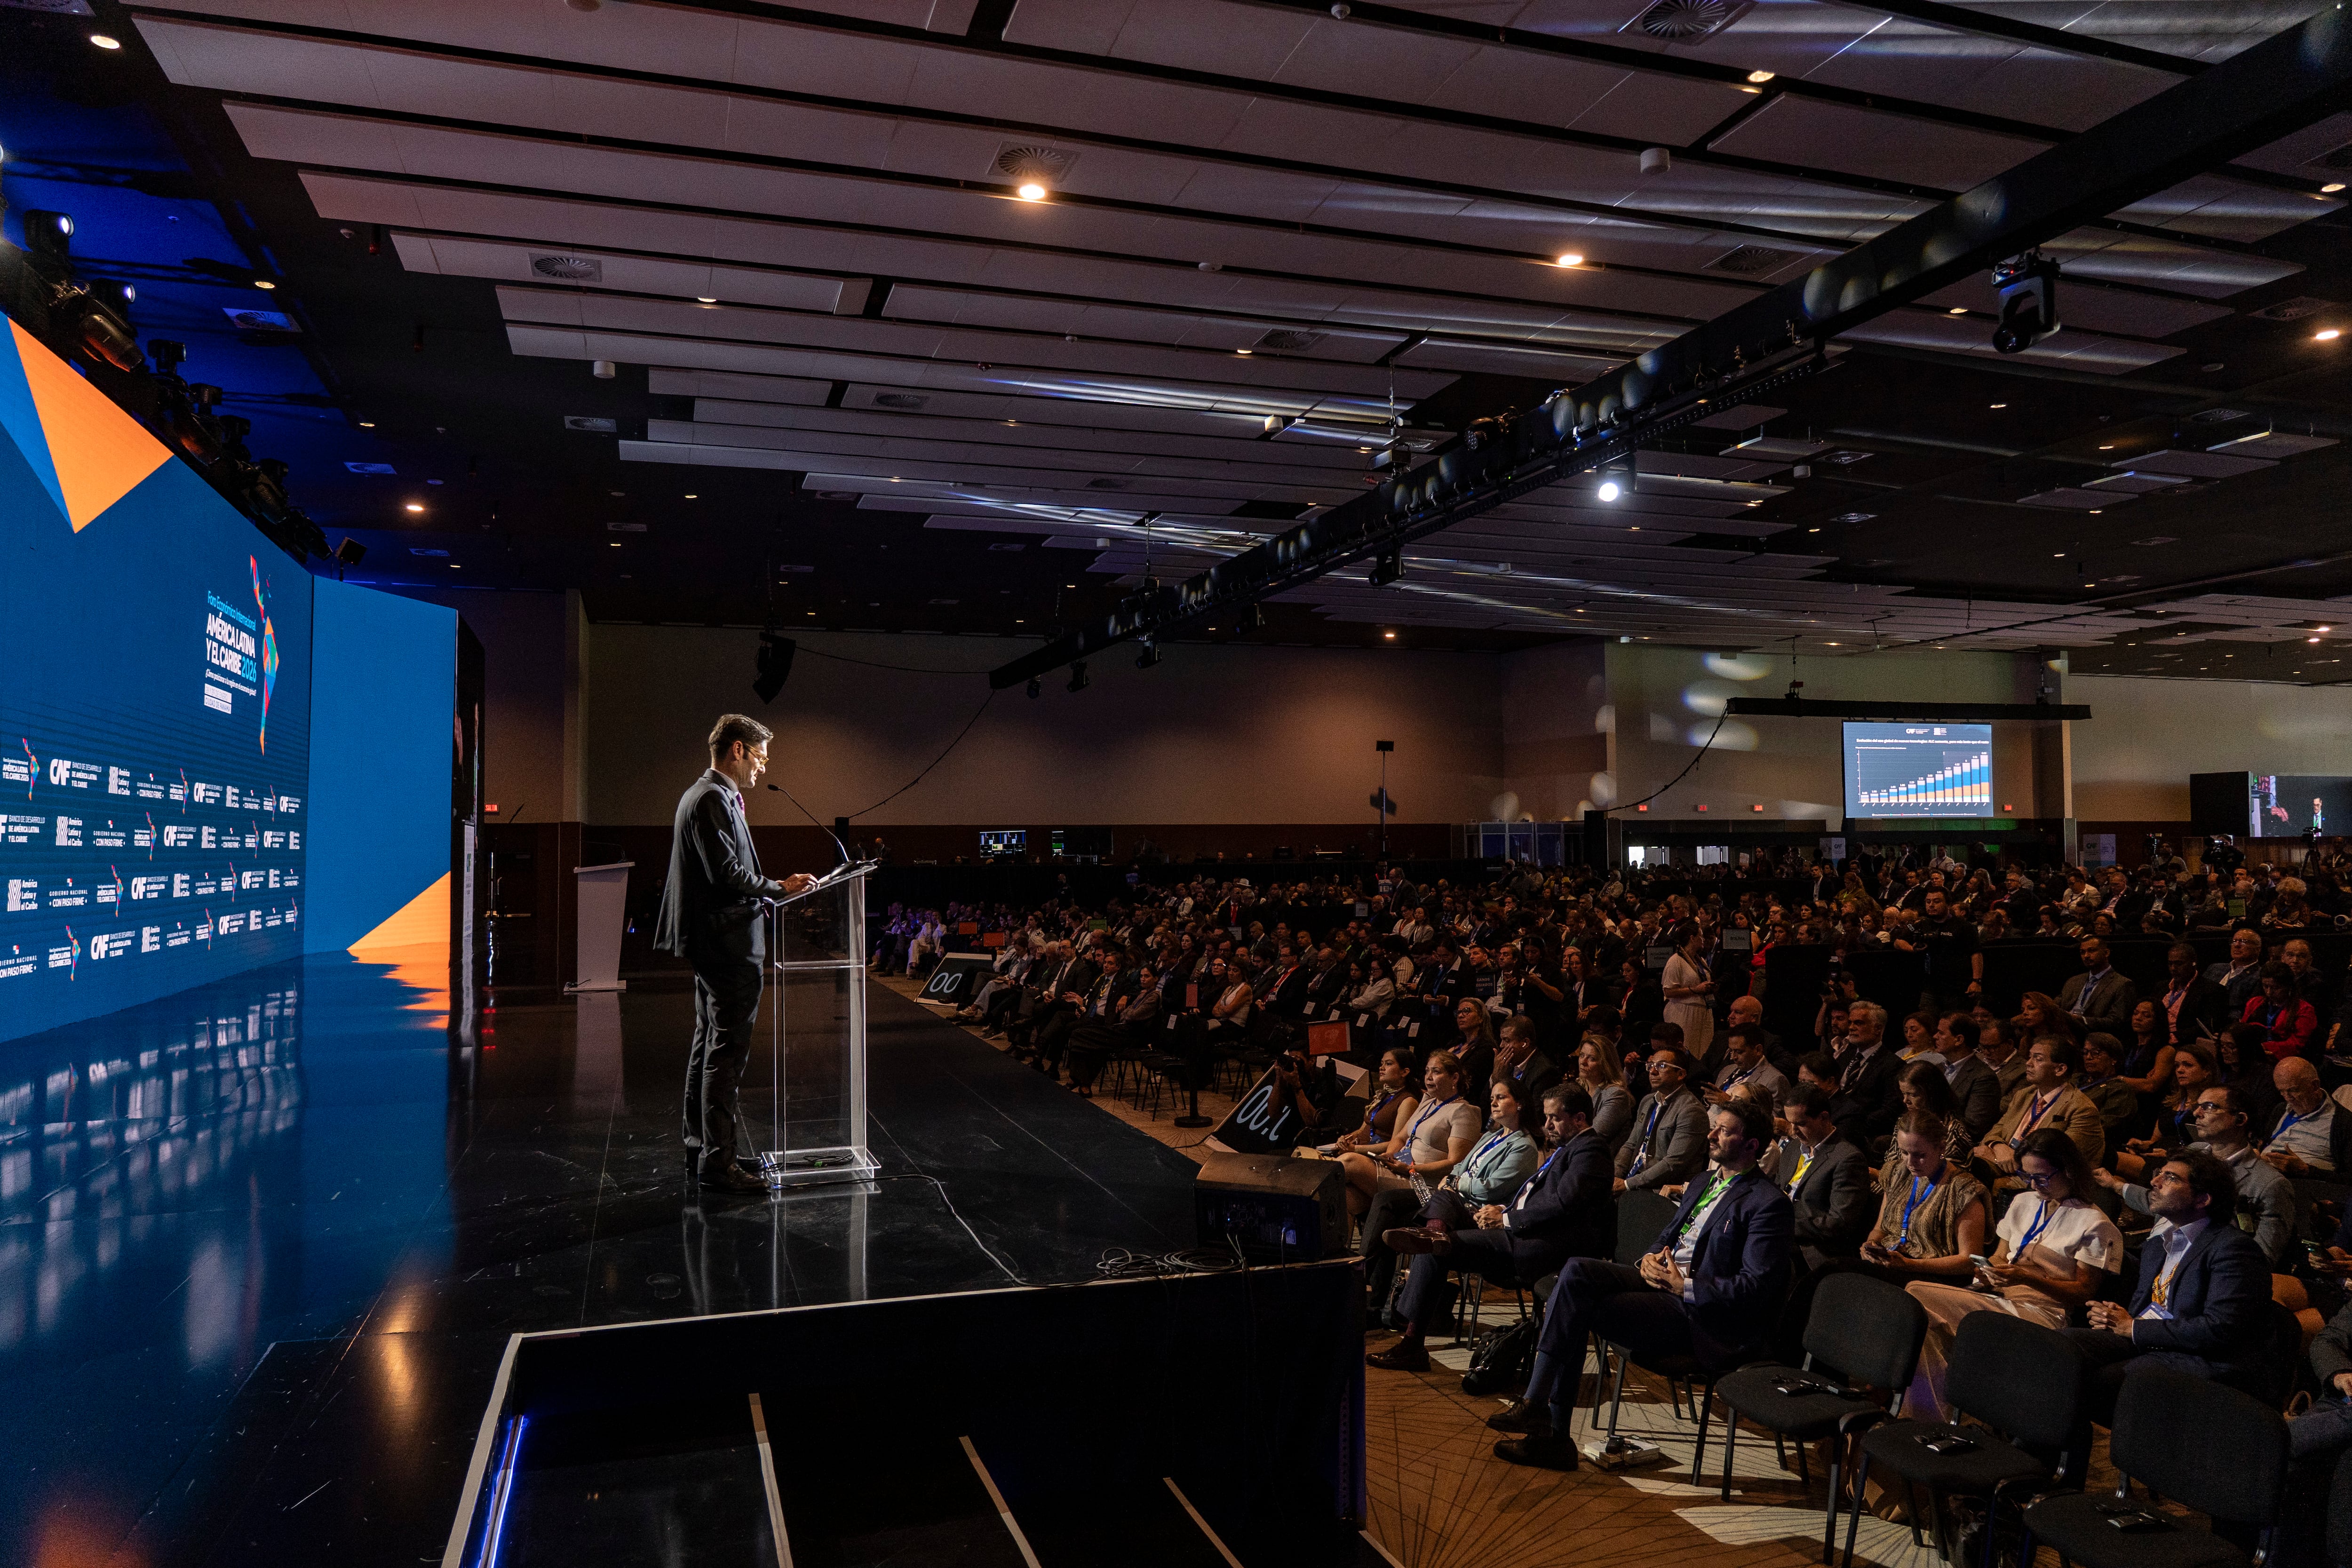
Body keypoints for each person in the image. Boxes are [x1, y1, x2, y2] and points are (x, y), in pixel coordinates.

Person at [1489, 1099, 1793, 1470]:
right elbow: (1666, 1236)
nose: (1711, 1134)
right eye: (1714, 1126)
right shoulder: (1703, 1180)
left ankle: (1549, 1431)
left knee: (1576, 1307)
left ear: (1752, 1145)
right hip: (1660, 1282)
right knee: (1576, 1271)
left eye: (1724, 1130)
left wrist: (1687, 1286)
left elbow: (1757, 1287)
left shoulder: (1768, 1203)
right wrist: (1647, 1259)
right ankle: (1539, 1408)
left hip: (1697, 1312)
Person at [653, 713, 817, 1193]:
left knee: (708, 1047)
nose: (763, 769)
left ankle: (704, 1149)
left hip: (716, 943)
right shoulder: (709, 798)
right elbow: (726, 872)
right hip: (726, 945)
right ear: (738, 750)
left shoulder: (707, 795)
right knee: (725, 1054)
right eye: (761, 757)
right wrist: (778, 887)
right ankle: (717, 1163)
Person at [1369, 1083, 1616, 1372]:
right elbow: (1540, 1199)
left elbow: (1563, 1206)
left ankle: (1411, 1342)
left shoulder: (1591, 1151)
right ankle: (1412, 1336)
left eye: (1555, 1118)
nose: (1547, 1125)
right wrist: (1505, 1210)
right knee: (1438, 1240)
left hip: (1544, 1248)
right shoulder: (1572, 1147)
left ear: (1580, 1118)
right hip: (1524, 1233)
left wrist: (1507, 1219)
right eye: (1546, 1117)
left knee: (1440, 1245)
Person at [1904, 1128, 2122, 1423]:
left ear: (2069, 1171)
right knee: (1924, 1329)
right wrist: (1987, 1272)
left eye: (2042, 1177)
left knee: (1916, 1292)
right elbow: (1997, 1256)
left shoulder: (2095, 1223)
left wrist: (2026, 1278)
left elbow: (2083, 1292)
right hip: (1997, 1297)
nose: (2035, 1185)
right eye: (2028, 1176)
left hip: (2040, 1312)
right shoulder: (2024, 1201)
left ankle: (1931, 1415)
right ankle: (1940, 1417)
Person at [2071, 1151, 2273, 1424]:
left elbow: (2220, 1329)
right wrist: (2115, 1317)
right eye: (2159, 1174)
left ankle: (2068, 1460)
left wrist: (2132, 1327)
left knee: (2102, 1384)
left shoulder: (2233, 1249)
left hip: (2201, 1358)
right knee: (2062, 1348)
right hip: (2156, 1341)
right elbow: (2147, 1307)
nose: (2155, 1182)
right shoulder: (2157, 1245)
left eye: (2171, 1178)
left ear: (2203, 1199)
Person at [2098, 1085, 2296, 1266]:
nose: (2196, 1113)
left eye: (2209, 1107)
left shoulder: (2270, 1184)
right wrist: (2115, 1185)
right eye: (2198, 1106)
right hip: (2155, 1253)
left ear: (2241, 1119)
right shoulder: (2196, 1152)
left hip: (2203, 1269)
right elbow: (2163, 1202)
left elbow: (2262, 1258)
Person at [1858, 1111, 1989, 1283]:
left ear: (1942, 1148)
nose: (1910, 1163)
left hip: (1931, 1275)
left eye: (1920, 1155)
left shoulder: (1963, 1191)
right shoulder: (1897, 1173)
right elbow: (1881, 1229)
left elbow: (1970, 1261)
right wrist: (1871, 1246)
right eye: (1904, 1153)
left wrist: (1910, 1265)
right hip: (1893, 1263)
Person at [1768, 1082, 1875, 1269]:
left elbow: (1839, 1223)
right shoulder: (1794, 1148)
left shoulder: (1848, 1158)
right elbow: (1778, 1191)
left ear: (1824, 1117)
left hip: (1812, 1249)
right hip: (1779, 1234)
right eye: (1790, 1123)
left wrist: (1783, 1226)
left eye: (1801, 1124)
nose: (1793, 1131)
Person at [1974, 1035, 2106, 1181]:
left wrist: (1998, 1159)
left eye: (2038, 1059)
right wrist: (1998, 1146)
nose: (2029, 1063)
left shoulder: (2082, 1109)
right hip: (2006, 1167)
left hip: (2046, 1183)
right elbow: (1994, 1132)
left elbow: (2055, 1161)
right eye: (2030, 1057)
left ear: (2060, 1069)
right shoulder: (2024, 1095)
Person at [1616, 1045, 1708, 1193]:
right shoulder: (1647, 1101)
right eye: (1651, 1066)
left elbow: (1673, 1164)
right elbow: (1631, 1145)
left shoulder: (1691, 1111)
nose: (1652, 1071)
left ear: (1681, 1074)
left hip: (1661, 1190)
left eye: (1662, 1066)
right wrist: (1615, 1176)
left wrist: (1627, 1184)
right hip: (1634, 1180)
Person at [1829, 1000, 1906, 1149]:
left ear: (1878, 1029)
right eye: (1850, 1022)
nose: (1851, 1028)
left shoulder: (1894, 1065)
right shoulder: (1845, 1056)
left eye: (1859, 1023)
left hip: (1863, 1137)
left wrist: (1850, 1124)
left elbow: (1889, 1111)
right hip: (1832, 1126)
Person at [2261, 1055, 2352, 1176]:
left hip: (2305, 1184)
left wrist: (2305, 1170)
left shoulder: (2344, 1123)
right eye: (2281, 1091)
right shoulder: (2281, 1109)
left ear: (2315, 1086)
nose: (2287, 1097)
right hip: (2265, 1174)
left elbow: (2348, 1179)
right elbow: (2266, 1143)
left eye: (2293, 1090)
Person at [1938, 1011, 2004, 1144]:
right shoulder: (1937, 1069)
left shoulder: (1983, 1078)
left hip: (1953, 1145)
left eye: (1941, 1033)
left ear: (1959, 1040)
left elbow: (1974, 1128)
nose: (1935, 1037)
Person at [2057, 936, 2138, 1037]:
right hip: (2063, 1030)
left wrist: (2082, 1020)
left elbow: (2116, 1022)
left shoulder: (2122, 984)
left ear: (2106, 953)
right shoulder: (2073, 981)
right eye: (2083, 952)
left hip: (2092, 1036)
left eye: (2092, 951)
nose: (2086, 956)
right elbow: (2057, 1004)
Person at [1899, 1060, 1975, 1165]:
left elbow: (1949, 1175)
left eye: (1913, 1095)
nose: (1905, 1100)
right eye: (1903, 1094)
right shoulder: (1905, 1122)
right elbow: (1892, 1164)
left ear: (1932, 1094)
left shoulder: (1953, 1132)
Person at [1661, 923, 1716, 1066]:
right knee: (1686, 1052)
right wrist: (1695, 989)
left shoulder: (1700, 960)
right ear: (1692, 938)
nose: (1703, 939)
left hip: (1703, 1010)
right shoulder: (1675, 961)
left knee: (1703, 1051)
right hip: (1684, 1012)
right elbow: (1668, 991)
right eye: (1701, 936)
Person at [2246, 962, 2322, 1061]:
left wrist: (2264, 1048)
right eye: (2266, 986)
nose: (2269, 992)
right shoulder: (2255, 1002)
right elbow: (2244, 1030)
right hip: (2254, 1053)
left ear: (2288, 986)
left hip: (2284, 1058)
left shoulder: (2304, 1009)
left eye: (2276, 988)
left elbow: (2298, 1044)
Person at [2159, 941, 2227, 1047]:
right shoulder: (2161, 987)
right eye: (2170, 964)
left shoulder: (2211, 990)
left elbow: (2207, 1026)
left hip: (2183, 1044)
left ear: (2194, 963)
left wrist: (2176, 1036)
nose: (2173, 968)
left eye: (2179, 964)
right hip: (2156, 1039)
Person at [1577, 1035, 1635, 1155]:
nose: (1583, 1062)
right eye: (1582, 1055)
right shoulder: (1579, 1088)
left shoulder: (1616, 1095)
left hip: (1599, 1161)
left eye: (1591, 1058)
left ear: (1606, 1064)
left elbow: (1594, 1135)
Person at [1705, 1025, 1788, 1107]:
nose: (1734, 1057)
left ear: (1758, 1050)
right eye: (1731, 1051)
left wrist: (1729, 1103)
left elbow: (1772, 1118)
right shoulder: (1727, 1070)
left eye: (1739, 1052)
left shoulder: (1774, 1080)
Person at [1490, 1014, 1561, 1110]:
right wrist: (1496, 1077)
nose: (1502, 1045)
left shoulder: (1545, 1072)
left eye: (1507, 1040)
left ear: (1525, 1043)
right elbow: (1484, 1105)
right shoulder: (1506, 1066)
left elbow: (1537, 1115)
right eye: (1502, 1040)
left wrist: (1499, 1080)